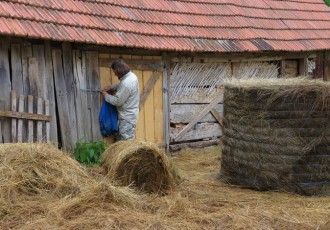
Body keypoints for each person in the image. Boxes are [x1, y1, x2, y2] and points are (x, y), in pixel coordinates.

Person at [102, 58, 139, 141]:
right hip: (130, 116)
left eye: (115, 71)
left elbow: (118, 101)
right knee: (124, 143)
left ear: (119, 70)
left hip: (127, 118)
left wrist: (106, 96)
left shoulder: (126, 83)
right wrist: (112, 87)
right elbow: (123, 87)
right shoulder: (131, 76)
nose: (115, 74)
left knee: (126, 145)